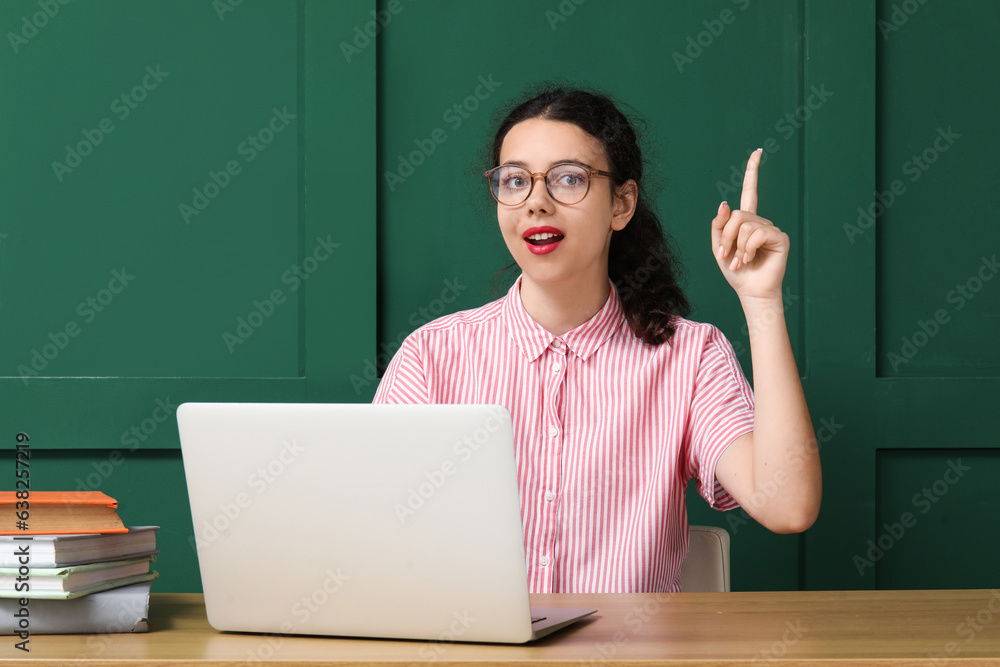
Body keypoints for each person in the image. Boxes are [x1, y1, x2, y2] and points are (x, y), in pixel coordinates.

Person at [373, 86, 822, 593]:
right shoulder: (432, 356)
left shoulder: (691, 357)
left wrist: (761, 301)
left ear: (621, 204)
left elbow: (788, 506)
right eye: (515, 180)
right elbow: (370, 532)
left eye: (568, 179)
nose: (536, 203)